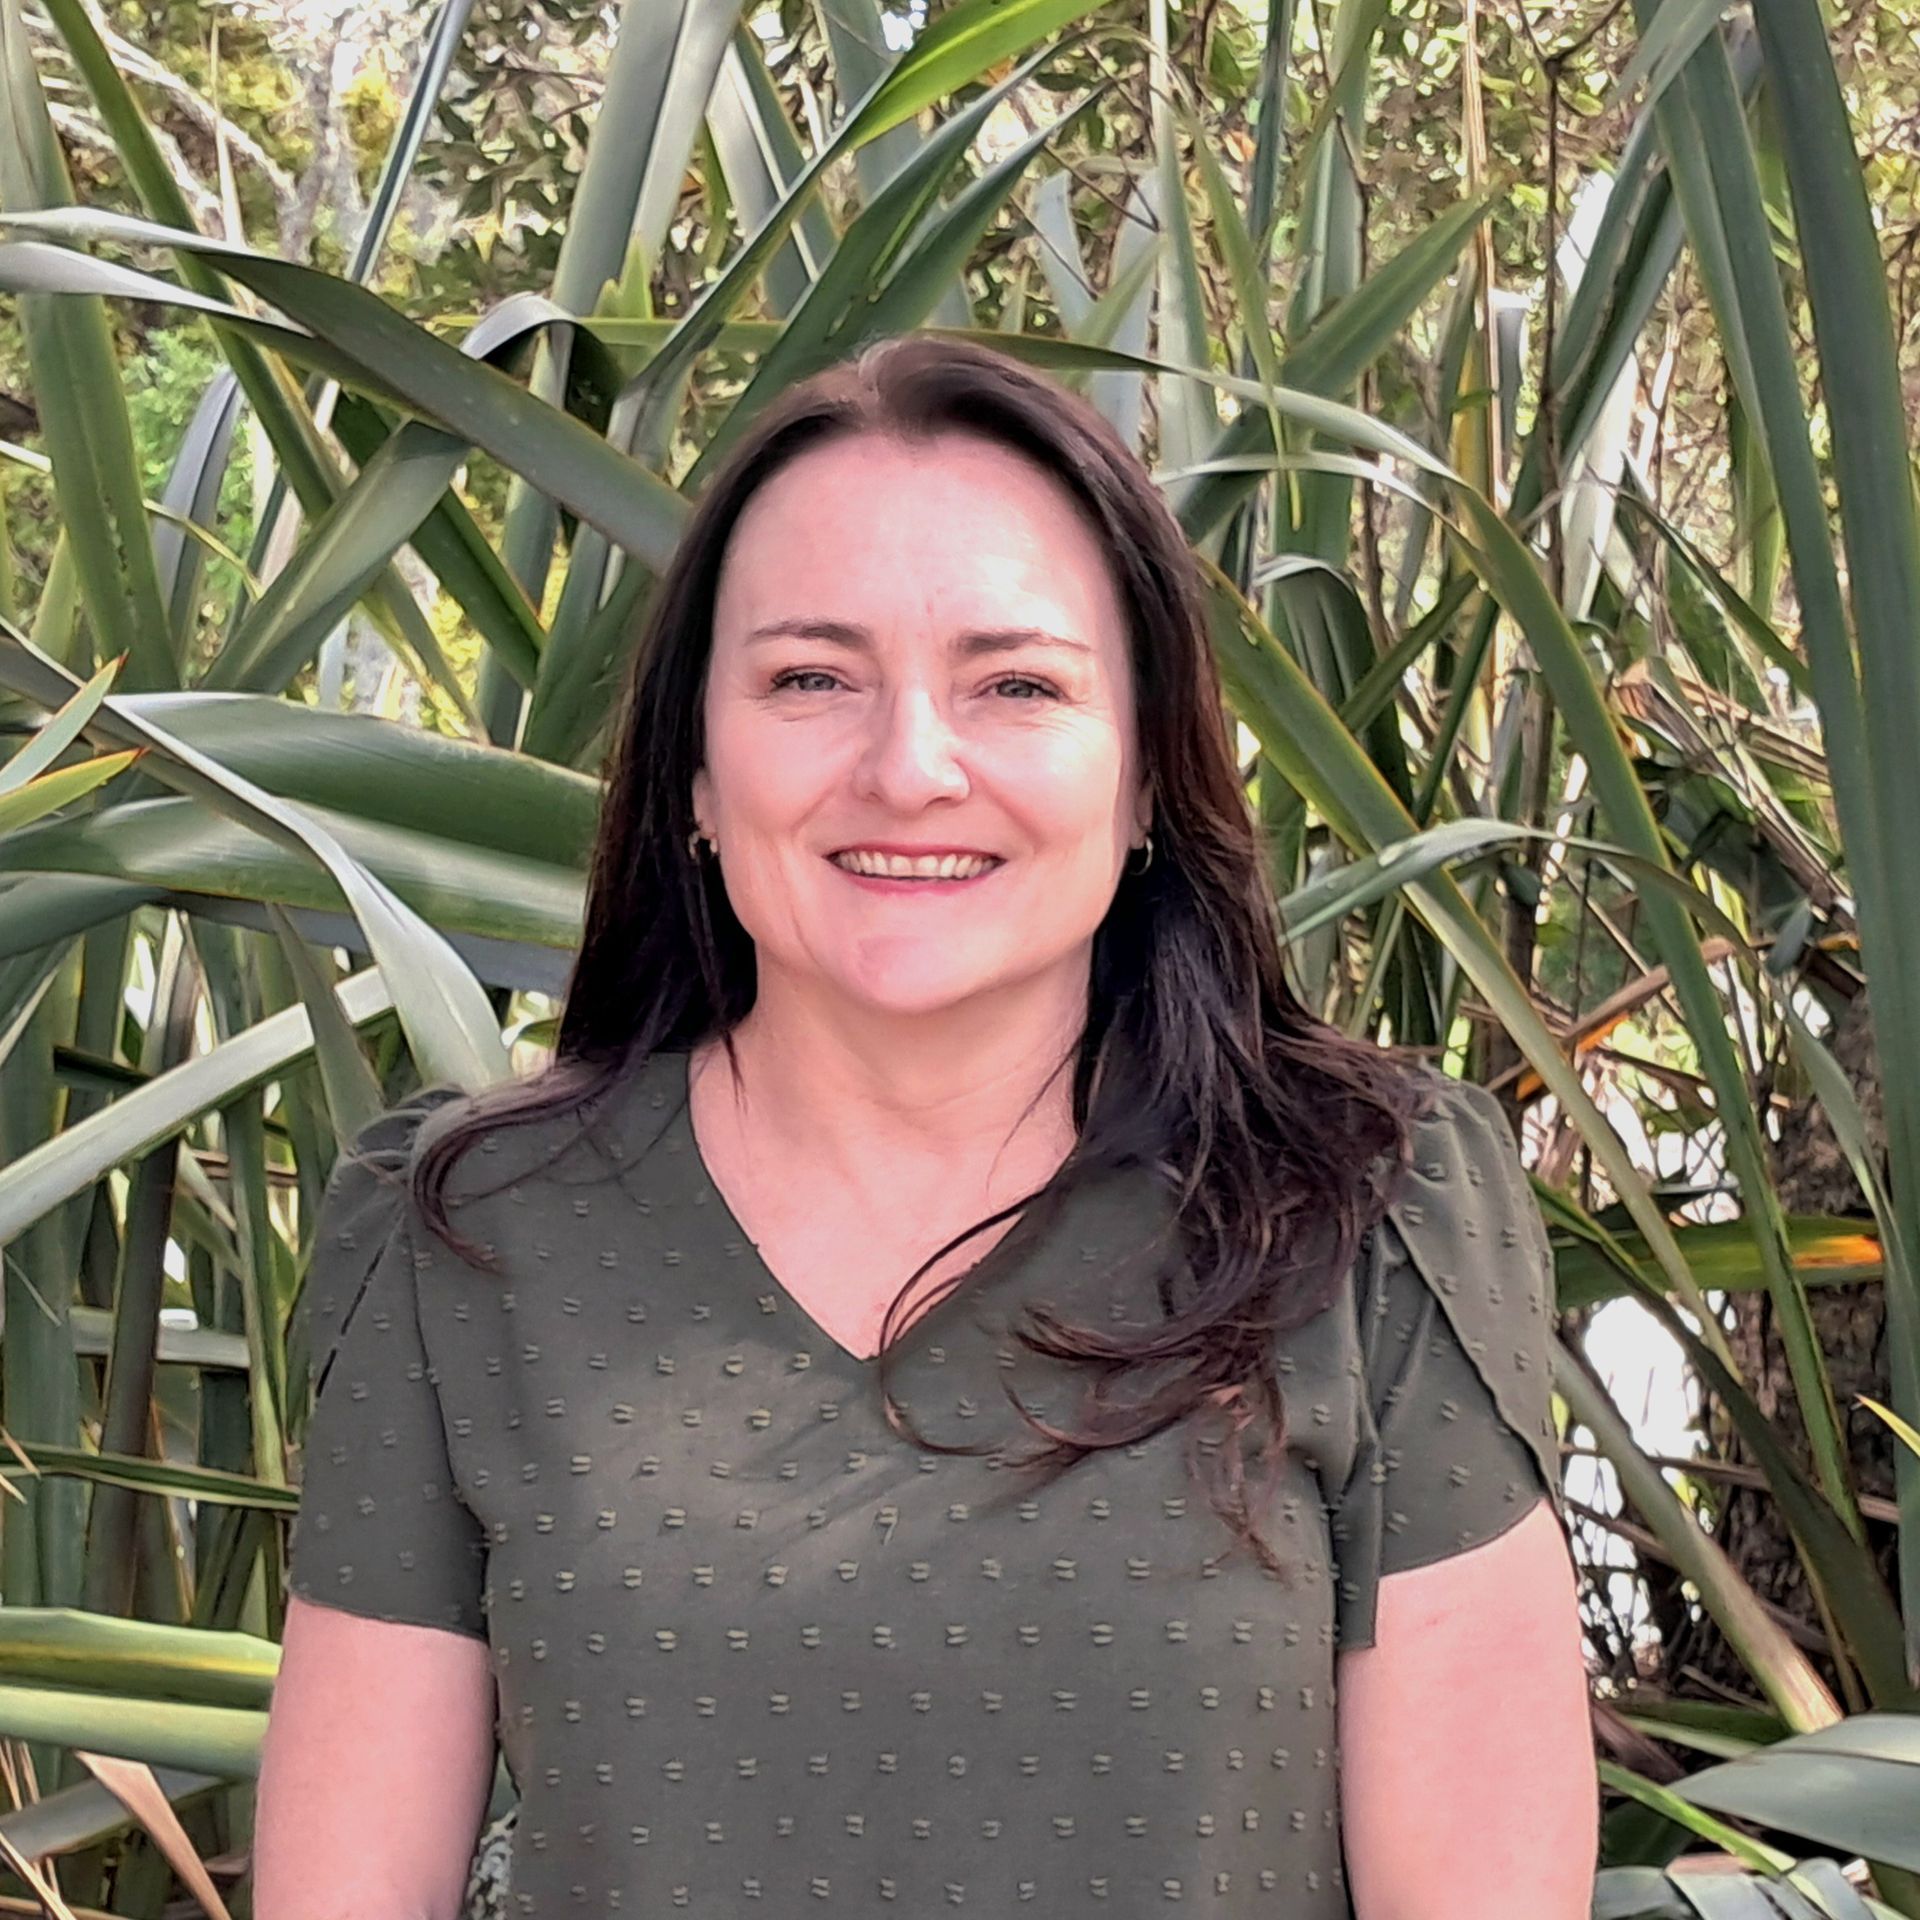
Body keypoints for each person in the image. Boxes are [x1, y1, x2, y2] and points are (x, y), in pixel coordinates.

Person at [255, 334, 1596, 1918]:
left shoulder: (1364, 1212)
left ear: (1149, 770)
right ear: (693, 766)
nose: (910, 767)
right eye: (812, 678)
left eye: (1015, 684)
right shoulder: (470, 1231)